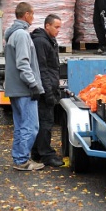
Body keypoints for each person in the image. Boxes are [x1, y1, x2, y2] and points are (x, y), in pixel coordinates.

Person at [4, 2, 45, 171]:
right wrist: (33, 84)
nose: (33, 18)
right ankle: (22, 160)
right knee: (31, 125)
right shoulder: (22, 35)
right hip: (24, 89)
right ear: (26, 14)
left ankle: (20, 158)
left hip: (16, 89)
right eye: (32, 14)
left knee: (21, 125)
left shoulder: (13, 34)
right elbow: (23, 64)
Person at [30, 14, 65, 167]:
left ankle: (38, 151)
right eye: (56, 27)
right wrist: (48, 92)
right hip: (45, 88)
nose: (58, 30)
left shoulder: (48, 40)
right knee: (46, 121)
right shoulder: (41, 42)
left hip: (49, 86)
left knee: (44, 121)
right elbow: (42, 69)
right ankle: (45, 154)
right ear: (47, 26)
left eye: (59, 27)